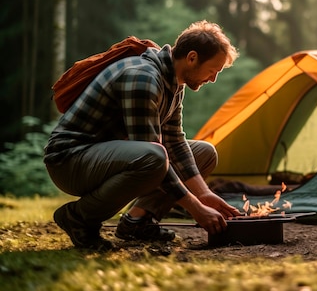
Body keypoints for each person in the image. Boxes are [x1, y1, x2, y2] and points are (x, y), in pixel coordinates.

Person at [44, 20, 242, 250]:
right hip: (69, 161)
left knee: (204, 153)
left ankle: (137, 221)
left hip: (105, 156)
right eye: (212, 70)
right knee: (154, 156)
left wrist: (204, 194)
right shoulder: (143, 77)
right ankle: (79, 217)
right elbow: (152, 151)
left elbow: (175, 142)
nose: (213, 79)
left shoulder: (174, 85)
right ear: (192, 58)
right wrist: (195, 208)